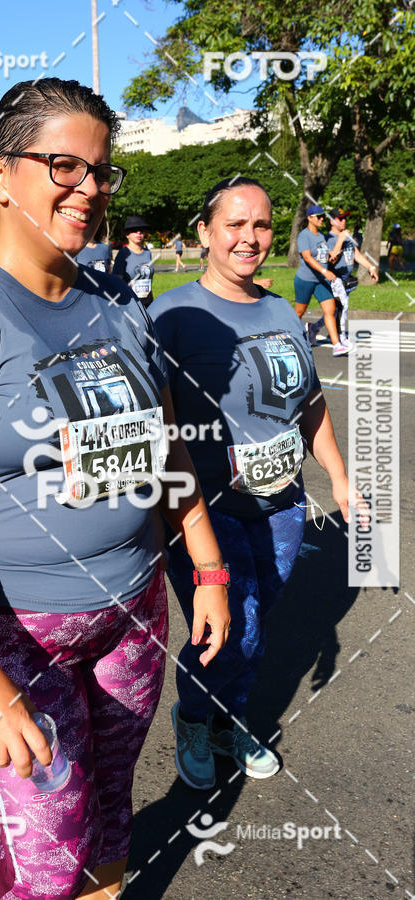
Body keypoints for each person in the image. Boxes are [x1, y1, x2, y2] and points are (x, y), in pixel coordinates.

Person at [0, 78, 230, 900]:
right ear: (0, 174)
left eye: (102, 171)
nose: (90, 188)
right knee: (48, 855)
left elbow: (166, 449)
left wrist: (208, 569)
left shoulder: (118, 306)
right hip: (6, 633)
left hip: (131, 614)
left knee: (109, 811)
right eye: (64, 166)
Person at [150, 177, 352, 791]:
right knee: (230, 624)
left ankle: (226, 716)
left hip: (282, 505)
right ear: (205, 232)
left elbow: (309, 402)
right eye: (234, 224)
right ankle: (196, 719)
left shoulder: (281, 311)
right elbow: (153, 424)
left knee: (254, 623)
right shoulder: (172, 315)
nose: (249, 237)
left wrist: (339, 478)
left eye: (261, 225)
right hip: (204, 510)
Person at [307, 207, 378, 347]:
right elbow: (330, 259)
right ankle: (341, 337)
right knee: (342, 306)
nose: (344, 221)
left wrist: (371, 267)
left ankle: (314, 328)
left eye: (345, 218)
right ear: (332, 221)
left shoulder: (347, 237)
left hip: (346, 279)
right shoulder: (327, 239)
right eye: (340, 218)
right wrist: (340, 240)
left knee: (335, 310)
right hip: (334, 278)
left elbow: (356, 254)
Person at [293, 204, 350, 356]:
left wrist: (332, 256)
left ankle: (337, 345)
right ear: (309, 218)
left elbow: (324, 256)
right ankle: (288, 336)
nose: (322, 219)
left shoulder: (321, 236)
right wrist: (325, 271)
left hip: (320, 281)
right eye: (319, 216)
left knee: (330, 310)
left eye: (323, 216)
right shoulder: (304, 236)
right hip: (305, 279)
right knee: (299, 312)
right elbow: (307, 257)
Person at [113, 215, 155, 307]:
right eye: (134, 230)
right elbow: (116, 281)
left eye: (141, 230)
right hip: (130, 304)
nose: (139, 232)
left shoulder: (147, 253)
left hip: (148, 302)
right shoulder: (123, 253)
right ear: (127, 234)